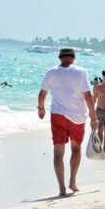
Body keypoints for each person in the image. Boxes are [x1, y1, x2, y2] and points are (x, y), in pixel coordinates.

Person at [38, 48, 98, 196]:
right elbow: (88, 95)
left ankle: (61, 188)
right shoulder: (81, 72)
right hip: (77, 118)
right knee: (76, 149)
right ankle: (72, 181)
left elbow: (42, 93)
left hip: (57, 116)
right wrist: (93, 117)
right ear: (73, 58)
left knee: (58, 152)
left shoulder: (51, 72)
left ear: (60, 58)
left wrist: (41, 108)